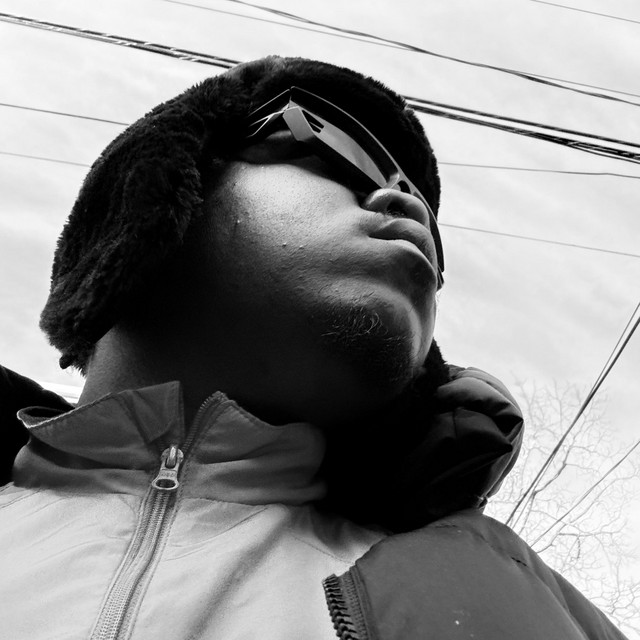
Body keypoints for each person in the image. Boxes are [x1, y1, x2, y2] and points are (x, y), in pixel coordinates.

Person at [0, 56, 627, 639]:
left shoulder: (513, 596)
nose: (404, 204)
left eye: (433, 241)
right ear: (151, 198)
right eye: (339, 153)